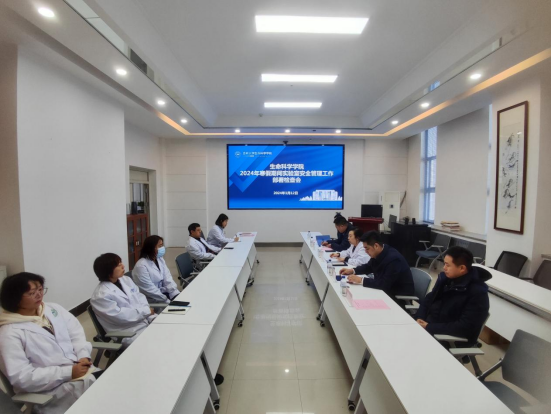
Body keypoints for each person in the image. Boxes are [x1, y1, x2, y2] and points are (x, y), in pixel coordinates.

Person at [0, 273, 99, 414]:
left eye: (40, 289)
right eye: (32, 293)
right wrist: (68, 372)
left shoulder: (53, 309)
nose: (39, 295)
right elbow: (22, 377)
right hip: (51, 392)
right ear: (15, 298)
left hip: (81, 372)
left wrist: (83, 355)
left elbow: (76, 335)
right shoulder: (9, 333)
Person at [415, 246, 490, 347]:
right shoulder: (446, 279)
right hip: (430, 328)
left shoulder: (478, 293)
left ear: (462, 268)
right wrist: (419, 318)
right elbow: (428, 299)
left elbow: (464, 327)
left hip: (448, 339)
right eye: (444, 264)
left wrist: (429, 327)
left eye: (447, 265)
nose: (444, 268)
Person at [91, 253, 156, 347]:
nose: (123, 266)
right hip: (128, 333)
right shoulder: (101, 295)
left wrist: (149, 315)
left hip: (145, 320)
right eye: (118, 265)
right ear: (108, 271)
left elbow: (140, 298)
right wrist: (146, 312)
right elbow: (122, 317)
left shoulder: (126, 280)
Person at [340, 231, 414, 307]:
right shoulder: (379, 252)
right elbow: (368, 267)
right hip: (384, 291)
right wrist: (353, 270)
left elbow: (384, 284)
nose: (365, 251)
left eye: (367, 248)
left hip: (397, 298)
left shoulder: (393, 260)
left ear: (376, 246)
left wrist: (361, 280)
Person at [132, 235, 180, 304]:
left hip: (163, 293)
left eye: (162, 245)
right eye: (159, 246)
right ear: (151, 248)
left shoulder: (159, 259)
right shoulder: (141, 266)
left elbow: (167, 277)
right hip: (152, 300)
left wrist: (175, 294)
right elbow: (150, 290)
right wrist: (168, 301)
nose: (162, 248)